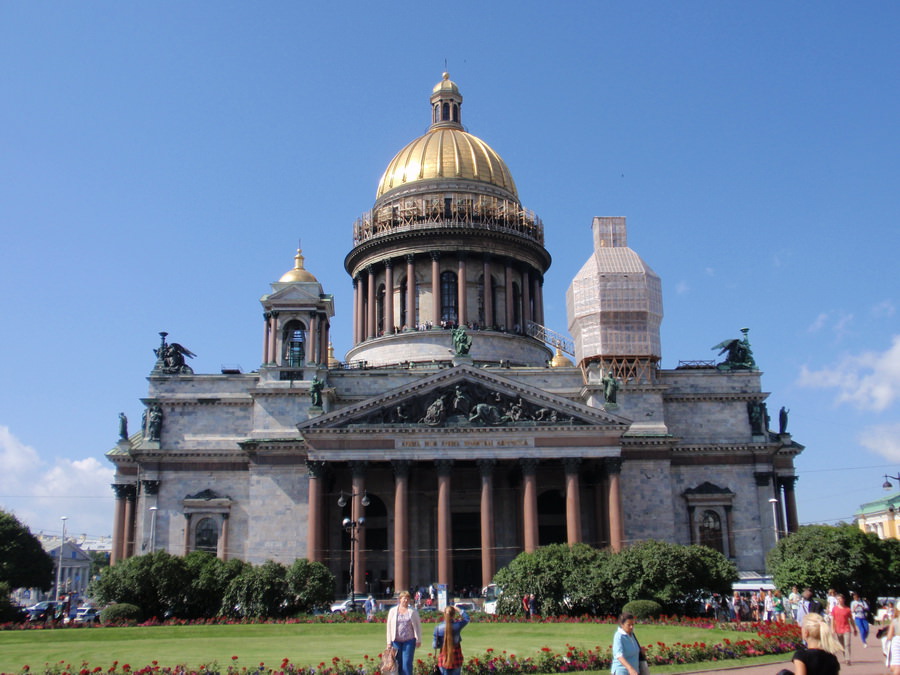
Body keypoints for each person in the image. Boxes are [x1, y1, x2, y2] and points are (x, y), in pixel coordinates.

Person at [386, 591, 422, 675]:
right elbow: (389, 627)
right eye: (404, 598)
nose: (406, 600)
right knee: (397, 663)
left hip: (409, 640)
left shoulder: (413, 611)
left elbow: (418, 626)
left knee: (407, 663)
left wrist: (418, 639)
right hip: (396, 641)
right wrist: (388, 643)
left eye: (407, 598)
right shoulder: (393, 611)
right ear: (400, 599)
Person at [432, 604, 470, 675]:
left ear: (444, 614)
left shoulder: (438, 628)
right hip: (456, 656)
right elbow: (467, 619)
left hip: (444, 658)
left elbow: (434, 646)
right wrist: (458, 609)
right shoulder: (457, 626)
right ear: (454, 615)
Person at [830, 593, 855, 665]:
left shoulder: (847, 609)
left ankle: (848, 659)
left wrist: (854, 628)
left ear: (843, 599)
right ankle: (845, 657)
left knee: (847, 644)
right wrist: (832, 629)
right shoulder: (835, 609)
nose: (839, 600)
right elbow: (833, 619)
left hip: (846, 629)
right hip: (838, 629)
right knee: (842, 645)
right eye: (837, 599)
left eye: (840, 599)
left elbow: (851, 619)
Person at [884, 599, 900, 674]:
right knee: (897, 668)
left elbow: (889, 636)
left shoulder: (894, 621)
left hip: (896, 642)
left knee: (895, 666)